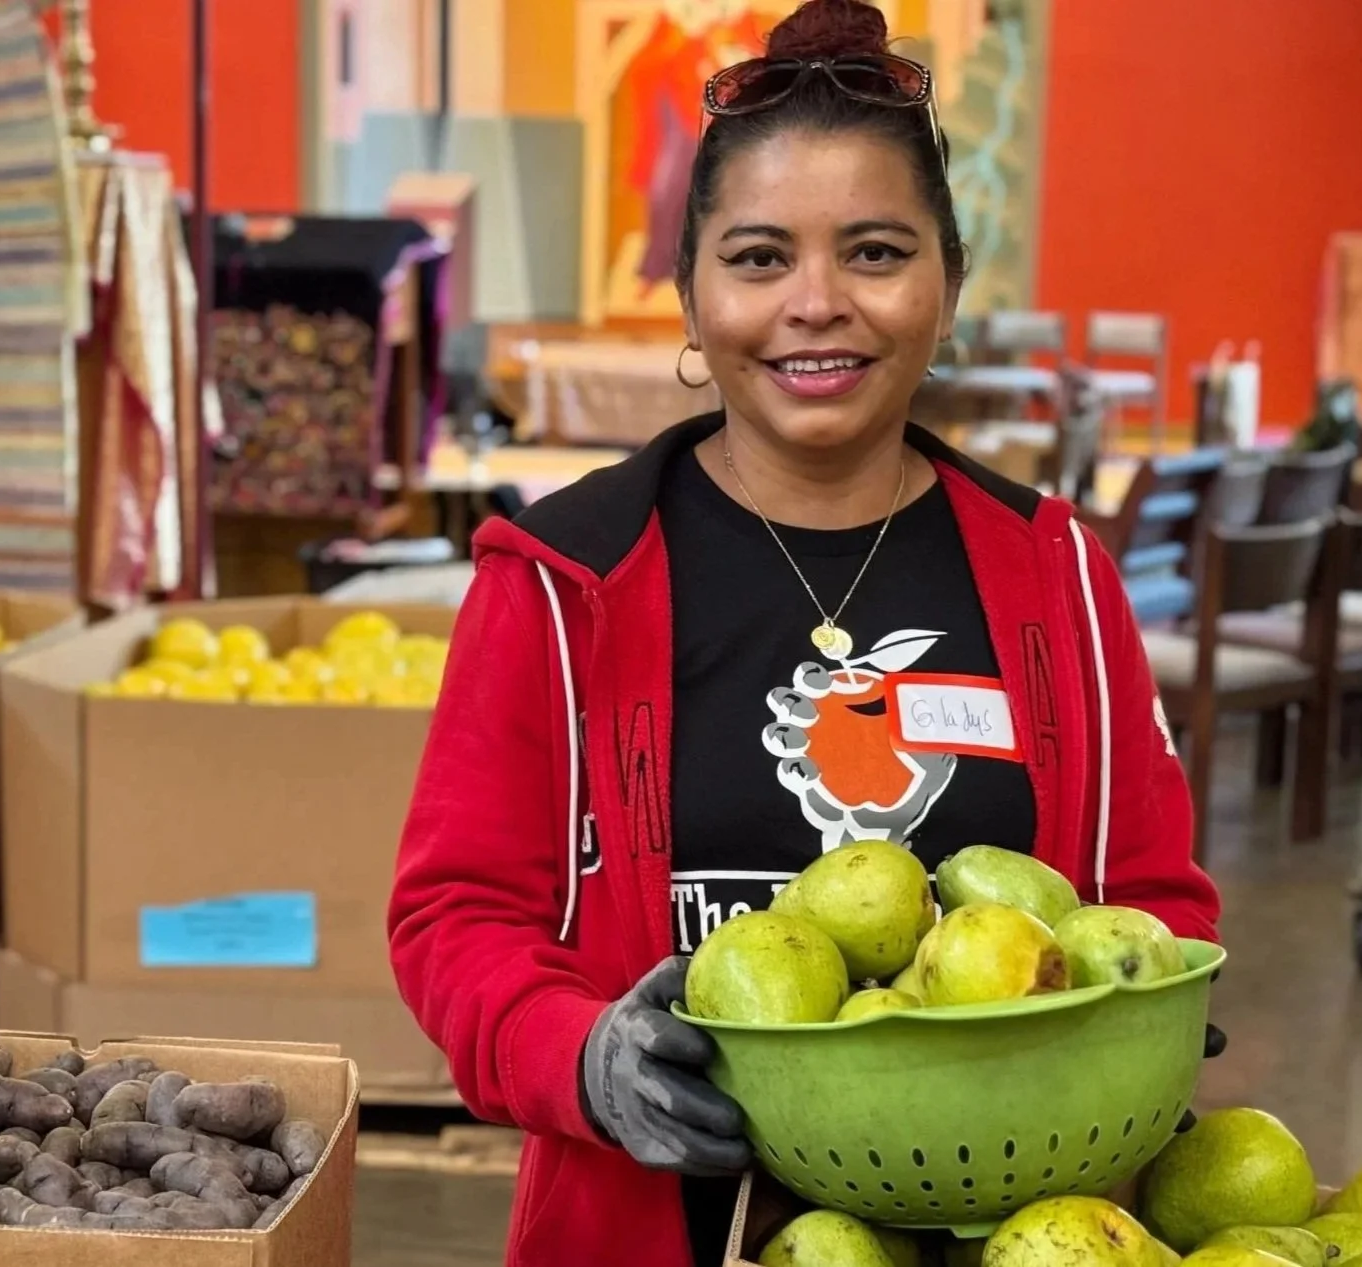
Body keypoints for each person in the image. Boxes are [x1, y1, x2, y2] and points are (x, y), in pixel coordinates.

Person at [387, 2, 1220, 1264]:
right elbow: (454, 917)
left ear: (946, 287)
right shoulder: (559, 584)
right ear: (689, 293)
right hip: (648, 1225)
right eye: (760, 256)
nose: (816, 303)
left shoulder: (1053, 574)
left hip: (1016, 1222)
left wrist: (1150, 1002)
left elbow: (1148, 893)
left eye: (875, 253)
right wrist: (583, 1058)